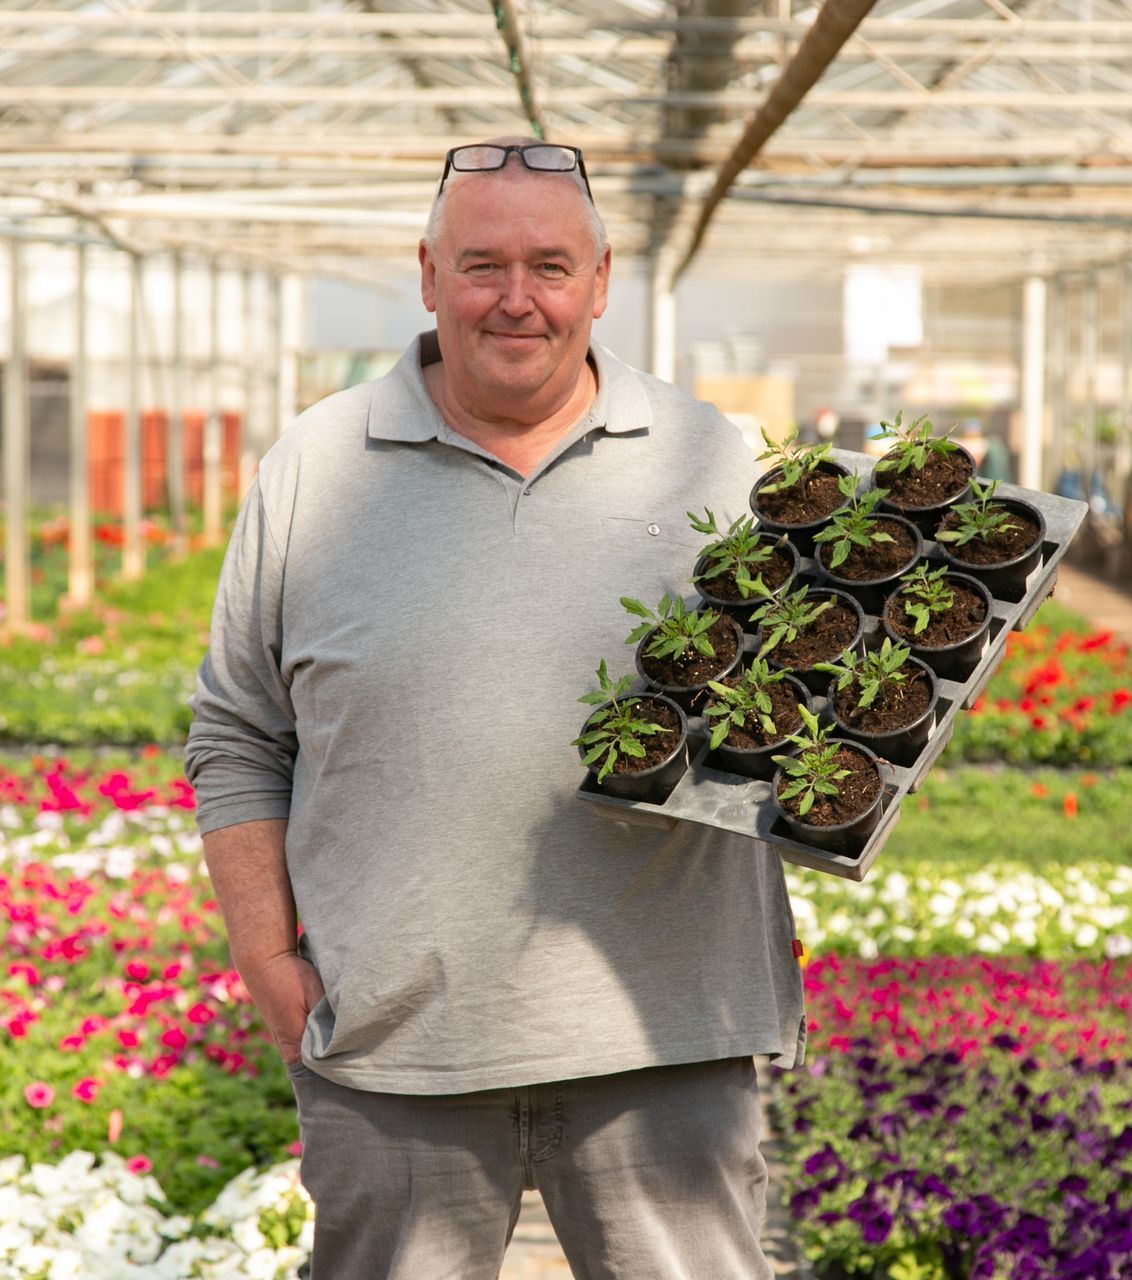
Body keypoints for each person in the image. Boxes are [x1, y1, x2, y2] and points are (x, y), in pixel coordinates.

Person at [184, 137, 803, 1280]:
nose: (517, 299)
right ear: (427, 276)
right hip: (394, 1046)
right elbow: (236, 729)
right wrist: (268, 954)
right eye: (482, 265)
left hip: (664, 1038)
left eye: (550, 267)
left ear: (602, 280)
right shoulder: (318, 469)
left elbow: (810, 711)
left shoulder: (715, 463)